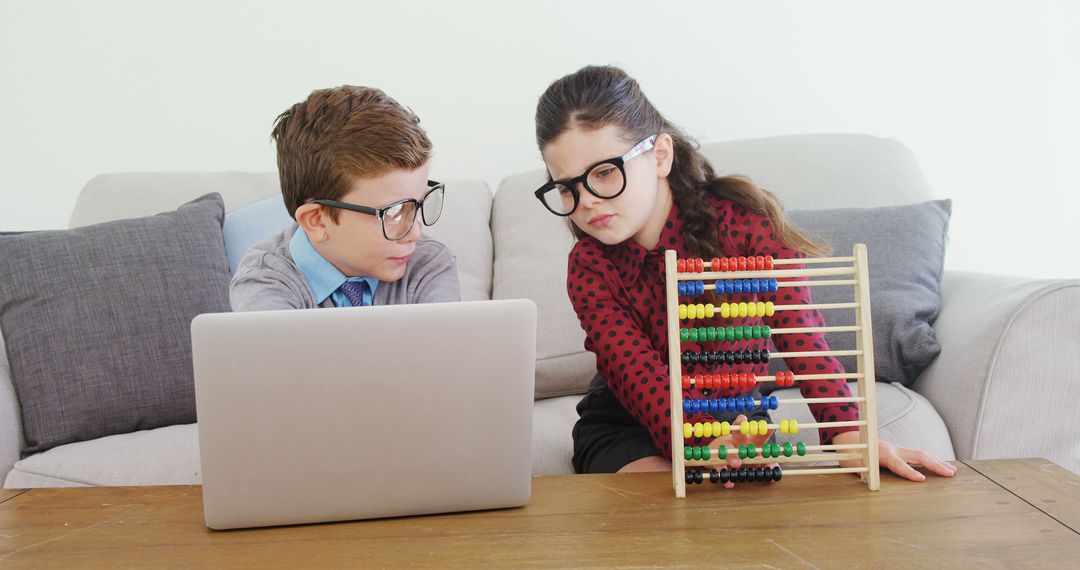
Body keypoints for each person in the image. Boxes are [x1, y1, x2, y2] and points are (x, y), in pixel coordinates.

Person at [533, 65, 955, 484]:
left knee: (733, 515)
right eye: (567, 187)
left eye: (605, 172)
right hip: (629, 421)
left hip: (735, 413)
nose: (586, 200)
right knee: (663, 512)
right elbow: (633, 370)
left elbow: (800, 331)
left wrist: (849, 436)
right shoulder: (590, 266)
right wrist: (699, 442)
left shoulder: (742, 225)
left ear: (660, 155)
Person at [231, 85, 459, 312]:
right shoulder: (264, 282)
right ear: (317, 220)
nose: (415, 233)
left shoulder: (427, 265)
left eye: (417, 204)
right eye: (393, 212)